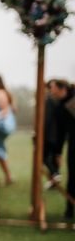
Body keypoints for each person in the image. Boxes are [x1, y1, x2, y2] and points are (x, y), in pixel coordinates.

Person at [46, 79, 75, 218]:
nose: (50, 90)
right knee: (73, 177)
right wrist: (58, 153)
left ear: (61, 88)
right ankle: (69, 209)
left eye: (52, 87)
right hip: (73, 144)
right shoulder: (59, 108)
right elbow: (61, 133)